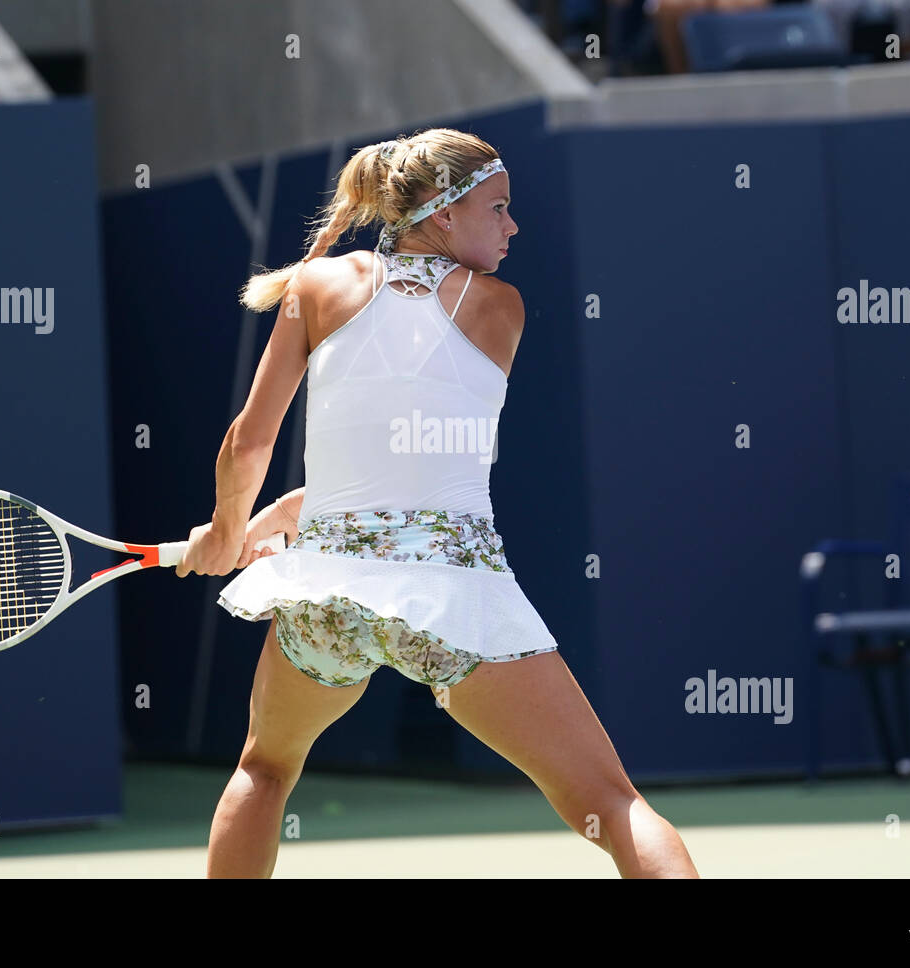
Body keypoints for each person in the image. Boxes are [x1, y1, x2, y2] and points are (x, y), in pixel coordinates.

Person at [174, 127, 699, 879]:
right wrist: (266, 521)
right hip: (453, 597)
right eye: (499, 208)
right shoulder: (501, 309)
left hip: (329, 600)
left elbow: (246, 448)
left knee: (262, 773)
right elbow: (416, 464)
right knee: (614, 808)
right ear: (446, 215)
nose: (514, 226)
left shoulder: (315, 288)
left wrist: (231, 532)